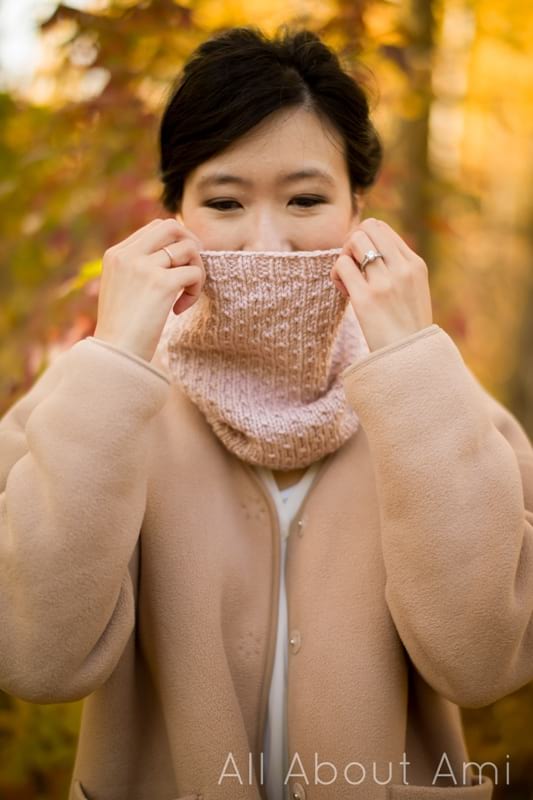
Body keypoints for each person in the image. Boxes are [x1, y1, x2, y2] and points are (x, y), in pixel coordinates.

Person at [1, 24, 532, 800]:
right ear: (175, 214)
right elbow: (34, 656)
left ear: (358, 209)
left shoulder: (441, 405)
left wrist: (414, 362)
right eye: (224, 201)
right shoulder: (96, 399)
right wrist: (115, 354)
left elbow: (483, 665)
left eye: (306, 199)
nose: (268, 244)